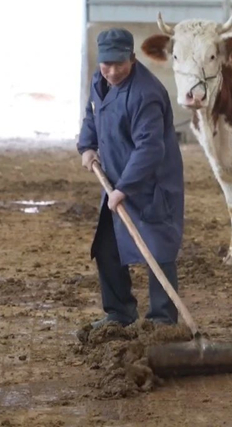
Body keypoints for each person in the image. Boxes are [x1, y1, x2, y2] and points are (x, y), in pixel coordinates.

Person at [77, 28, 185, 329]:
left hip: (151, 183)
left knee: (157, 248)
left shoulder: (145, 94)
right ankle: (119, 314)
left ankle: (162, 321)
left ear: (133, 59)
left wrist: (125, 188)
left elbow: (150, 148)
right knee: (107, 247)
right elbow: (91, 115)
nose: (112, 71)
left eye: (119, 64)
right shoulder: (100, 81)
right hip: (114, 179)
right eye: (106, 64)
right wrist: (87, 146)